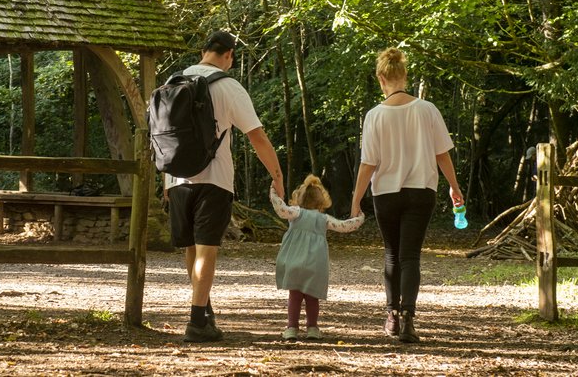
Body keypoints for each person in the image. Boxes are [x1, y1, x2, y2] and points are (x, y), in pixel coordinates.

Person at [167, 31, 285, 342]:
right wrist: (276, 174)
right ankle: (196, 321)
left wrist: (165, 180)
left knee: (192, 249)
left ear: (203, 51)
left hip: (176, 178)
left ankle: (203, 312)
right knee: (208, 249)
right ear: (229, 55)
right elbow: (256, 136)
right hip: (214, 179)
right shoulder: (229, 87)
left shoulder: (173, 81)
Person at [350, 47, 463, 343]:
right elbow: (442, 154)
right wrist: (454, 186)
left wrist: (355, 199)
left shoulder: (374, 116)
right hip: (421, 191)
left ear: (381, 78)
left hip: (385, 193)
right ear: (404, 75)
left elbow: (368, 164)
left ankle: (392, 316)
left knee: (392, 254)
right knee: (410, 256)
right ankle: (408, 319)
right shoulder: (427, 109)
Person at [270, 175, 364, 340]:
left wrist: (274, 192)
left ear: (299, 198)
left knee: (295, 295)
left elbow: (280, 208)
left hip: (294, 261)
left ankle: (292, 327)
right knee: (312, 297)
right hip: (316, 264)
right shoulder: (324, 219)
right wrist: (359, 218)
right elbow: (344, 226)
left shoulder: (295, 213)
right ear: (322, 202)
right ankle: (312, 328)